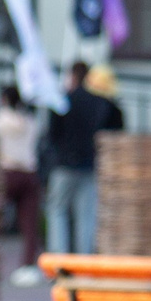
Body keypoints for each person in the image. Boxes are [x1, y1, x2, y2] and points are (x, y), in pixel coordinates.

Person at [42, 60, 124, 255]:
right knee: (86, 215)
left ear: (72, 76)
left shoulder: (63, 100)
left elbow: (53, 134)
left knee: (58, 210)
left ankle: (59, 258)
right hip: (89, 165)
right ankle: (83, 260)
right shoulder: (100, 103)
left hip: (64, 165)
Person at [0, 83, 43, 284]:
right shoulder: (29, 121)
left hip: (6, 172)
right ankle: (28, 266)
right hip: (28, 172)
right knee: (29, 223)